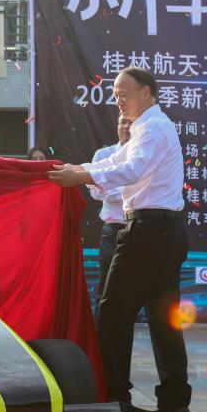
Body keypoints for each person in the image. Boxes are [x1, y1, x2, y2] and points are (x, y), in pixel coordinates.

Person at [48, 67, 192, 412]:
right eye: (115, 94)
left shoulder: (153, 127)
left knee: (113, 313)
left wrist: (80, 175)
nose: (118, 100)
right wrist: (77, 169)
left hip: (148, 231)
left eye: (123, 93)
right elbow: (116, 162)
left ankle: (115, 398)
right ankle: (174, 403)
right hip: (160, 231)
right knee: (163, 318)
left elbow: (132, 170)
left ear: (146, 92)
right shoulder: (146, 128)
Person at [88, 115, 132, 302]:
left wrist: (108, 187)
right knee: (106, 287)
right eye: (122, 122)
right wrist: (124, 190)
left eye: (131, 123)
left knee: (135, 288)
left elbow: (143, 190)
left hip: (137, 228)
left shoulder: (143, 157)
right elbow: (94, 191)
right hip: (112, 230)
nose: (126, 126)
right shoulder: (103, 155)